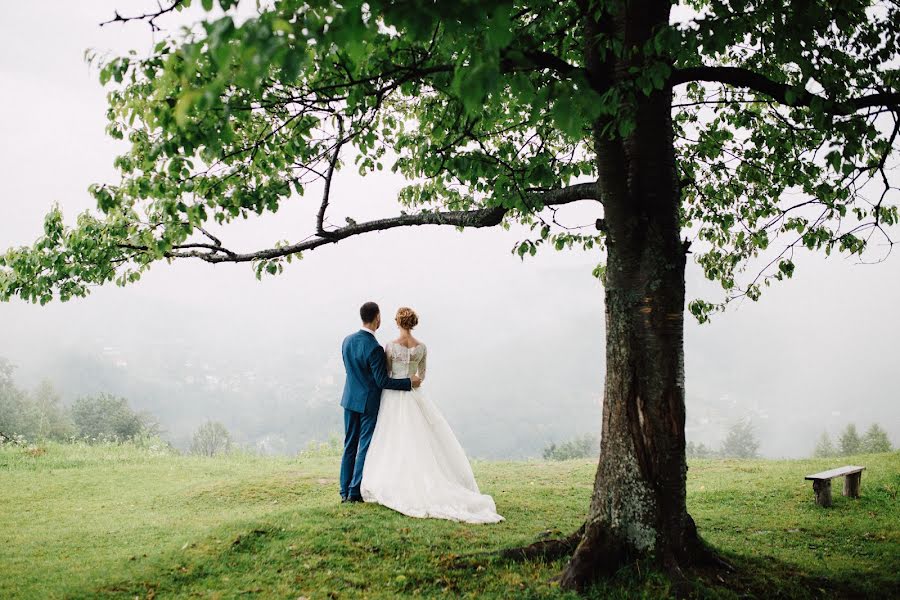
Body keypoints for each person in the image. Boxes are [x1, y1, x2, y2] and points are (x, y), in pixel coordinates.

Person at [361, 307, 503, 524]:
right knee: (421, 439)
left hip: (393, 396)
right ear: (413, 323)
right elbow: (422, 376)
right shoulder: (422, 347)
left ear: (398, 322)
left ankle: (397, 481)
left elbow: (387, 374)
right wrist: (411, 379)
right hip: (415, 396)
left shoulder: (389, 346)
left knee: (394, 440)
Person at [339, 301, 421, 503]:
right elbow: (382, 381)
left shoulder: (346, 341)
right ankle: (354, 491)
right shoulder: (374, 348)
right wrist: (408, 382)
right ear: (377, 318)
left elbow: (350, 371)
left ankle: (343, 491)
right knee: (364, 446)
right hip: (368, 403)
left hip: (349, 400)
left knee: (349, 445)